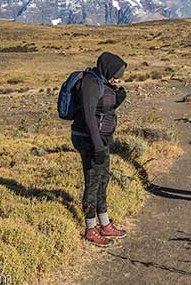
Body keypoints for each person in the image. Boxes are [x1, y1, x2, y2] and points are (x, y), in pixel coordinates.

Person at [71, 52, 128, 247]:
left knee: (103, 179)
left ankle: (104, 223)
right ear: (107, 68)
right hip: (88, 140)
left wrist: (118, 99)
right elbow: (89, 117)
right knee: (93, 182)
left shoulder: (104, 82)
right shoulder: (90, 83)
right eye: (116, 74)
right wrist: (97, 146)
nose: (117, 78)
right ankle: (90, 228)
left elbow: (102, 111)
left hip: (101, 140)